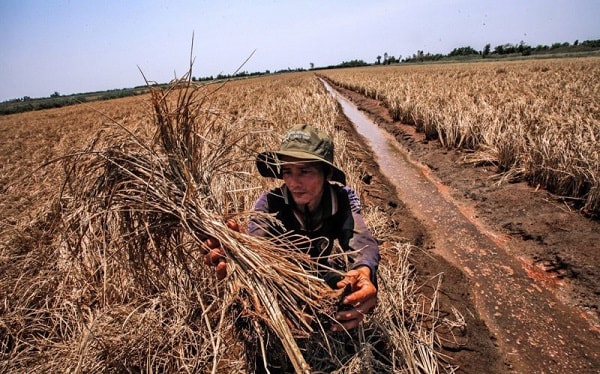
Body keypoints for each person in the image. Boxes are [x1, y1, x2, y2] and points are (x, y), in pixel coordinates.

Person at [203, 124, 379, 331]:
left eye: (305, 171)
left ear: (326, 174)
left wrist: (363, 271)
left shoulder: (341, 199)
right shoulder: (270, 203)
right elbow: (258, 240)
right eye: (287, 171)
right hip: (282, 274)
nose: (294, 182)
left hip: (319, 269)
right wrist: (239, 251)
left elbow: (360, 239)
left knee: (347, 290)